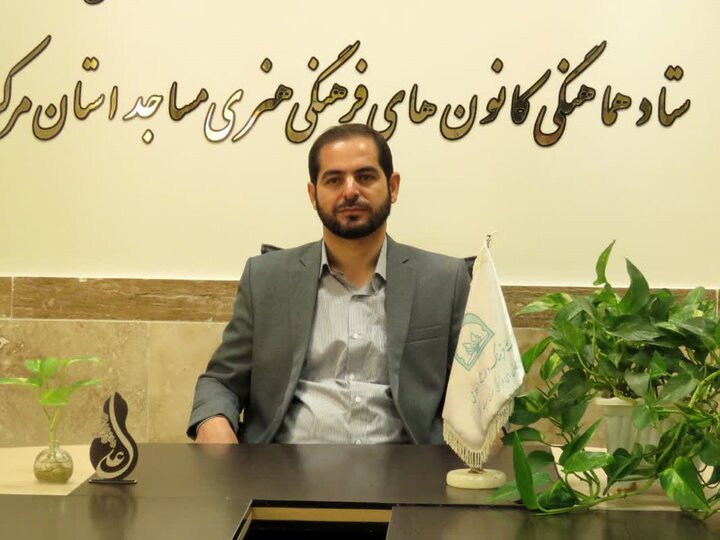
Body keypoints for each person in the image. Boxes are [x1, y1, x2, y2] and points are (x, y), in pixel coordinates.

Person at [188, 124, 470, 444]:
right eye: (334, 180)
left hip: (404, 469)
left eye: (365, 177)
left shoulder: (444, 280)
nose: (350, 191)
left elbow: (478, 393)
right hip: (284, 467)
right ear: (313, 195)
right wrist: (214, 420)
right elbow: (221, 380)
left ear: (393, 187)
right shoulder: (266, 279)